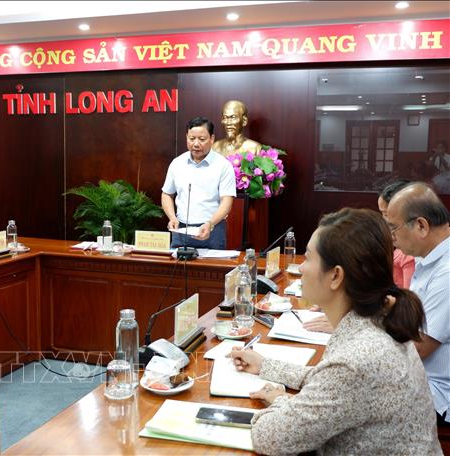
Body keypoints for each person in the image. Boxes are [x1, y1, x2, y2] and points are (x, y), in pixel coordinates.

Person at [229, 208, 442, 455]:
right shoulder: (378, 320)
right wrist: (266, 365)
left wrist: (280, 401)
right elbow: (329, 380)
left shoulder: (357, 359)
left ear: (336, 276)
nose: (302, 268)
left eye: (308, 258)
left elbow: (270, 437)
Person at [302, 179, 415, 333]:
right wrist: (335, 304)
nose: (385, 222)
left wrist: (342, 322)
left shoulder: (408, 255)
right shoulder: (398, 251)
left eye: (387, 215)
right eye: (382, 214)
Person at [386, 182, 450, 426]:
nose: (392, 237)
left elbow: (419, 347)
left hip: (436, 394)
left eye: (394, 228)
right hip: (416, 375)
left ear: (421, 226)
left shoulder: (446, 272)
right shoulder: (428, 259)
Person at [161, 117, 236, 249]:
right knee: (177, 262)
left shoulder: (223, 165)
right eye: (192, 138)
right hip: (181, 229)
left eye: (202, 139)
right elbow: (167, 194)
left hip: (212, 229)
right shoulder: (177, 163)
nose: (196, 144)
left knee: (211, 263)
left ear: (212, 139)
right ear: (186, 137)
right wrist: (172, 217)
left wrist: (210, 223)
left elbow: (227, 201)